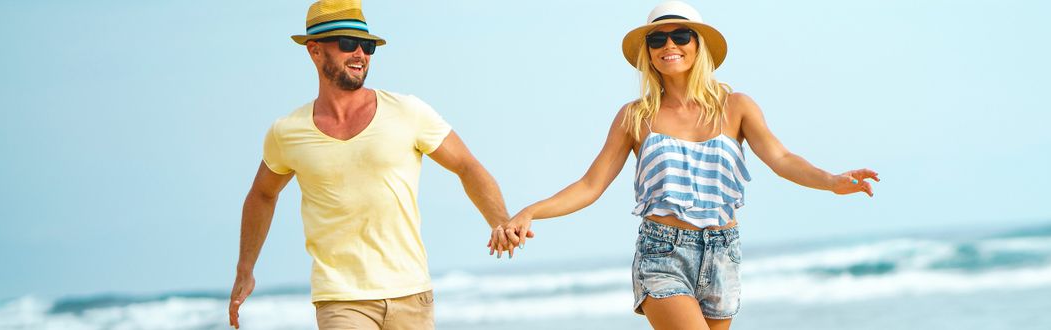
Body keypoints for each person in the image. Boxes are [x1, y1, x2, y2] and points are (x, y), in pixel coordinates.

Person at [488, 2, 879, 329]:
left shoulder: (736, 106)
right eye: (657, 39)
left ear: (698, 45)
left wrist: (831, 181)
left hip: (724, 252)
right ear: (648, 53)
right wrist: (530, 211)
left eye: (680, 36)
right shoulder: (635, 117)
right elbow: (591, 185)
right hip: (663, 253)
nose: (668, 45)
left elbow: (780, 158)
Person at [229, 0, 514, 328]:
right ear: (314, 50)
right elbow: (263, 194)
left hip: (412, 294)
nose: (360, 54)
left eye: (367, 46)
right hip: (340, 298)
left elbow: (466, 165)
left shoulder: (408, 112)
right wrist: (245, 269)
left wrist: (500, 220)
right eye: (348, 44)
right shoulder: (288, 131)